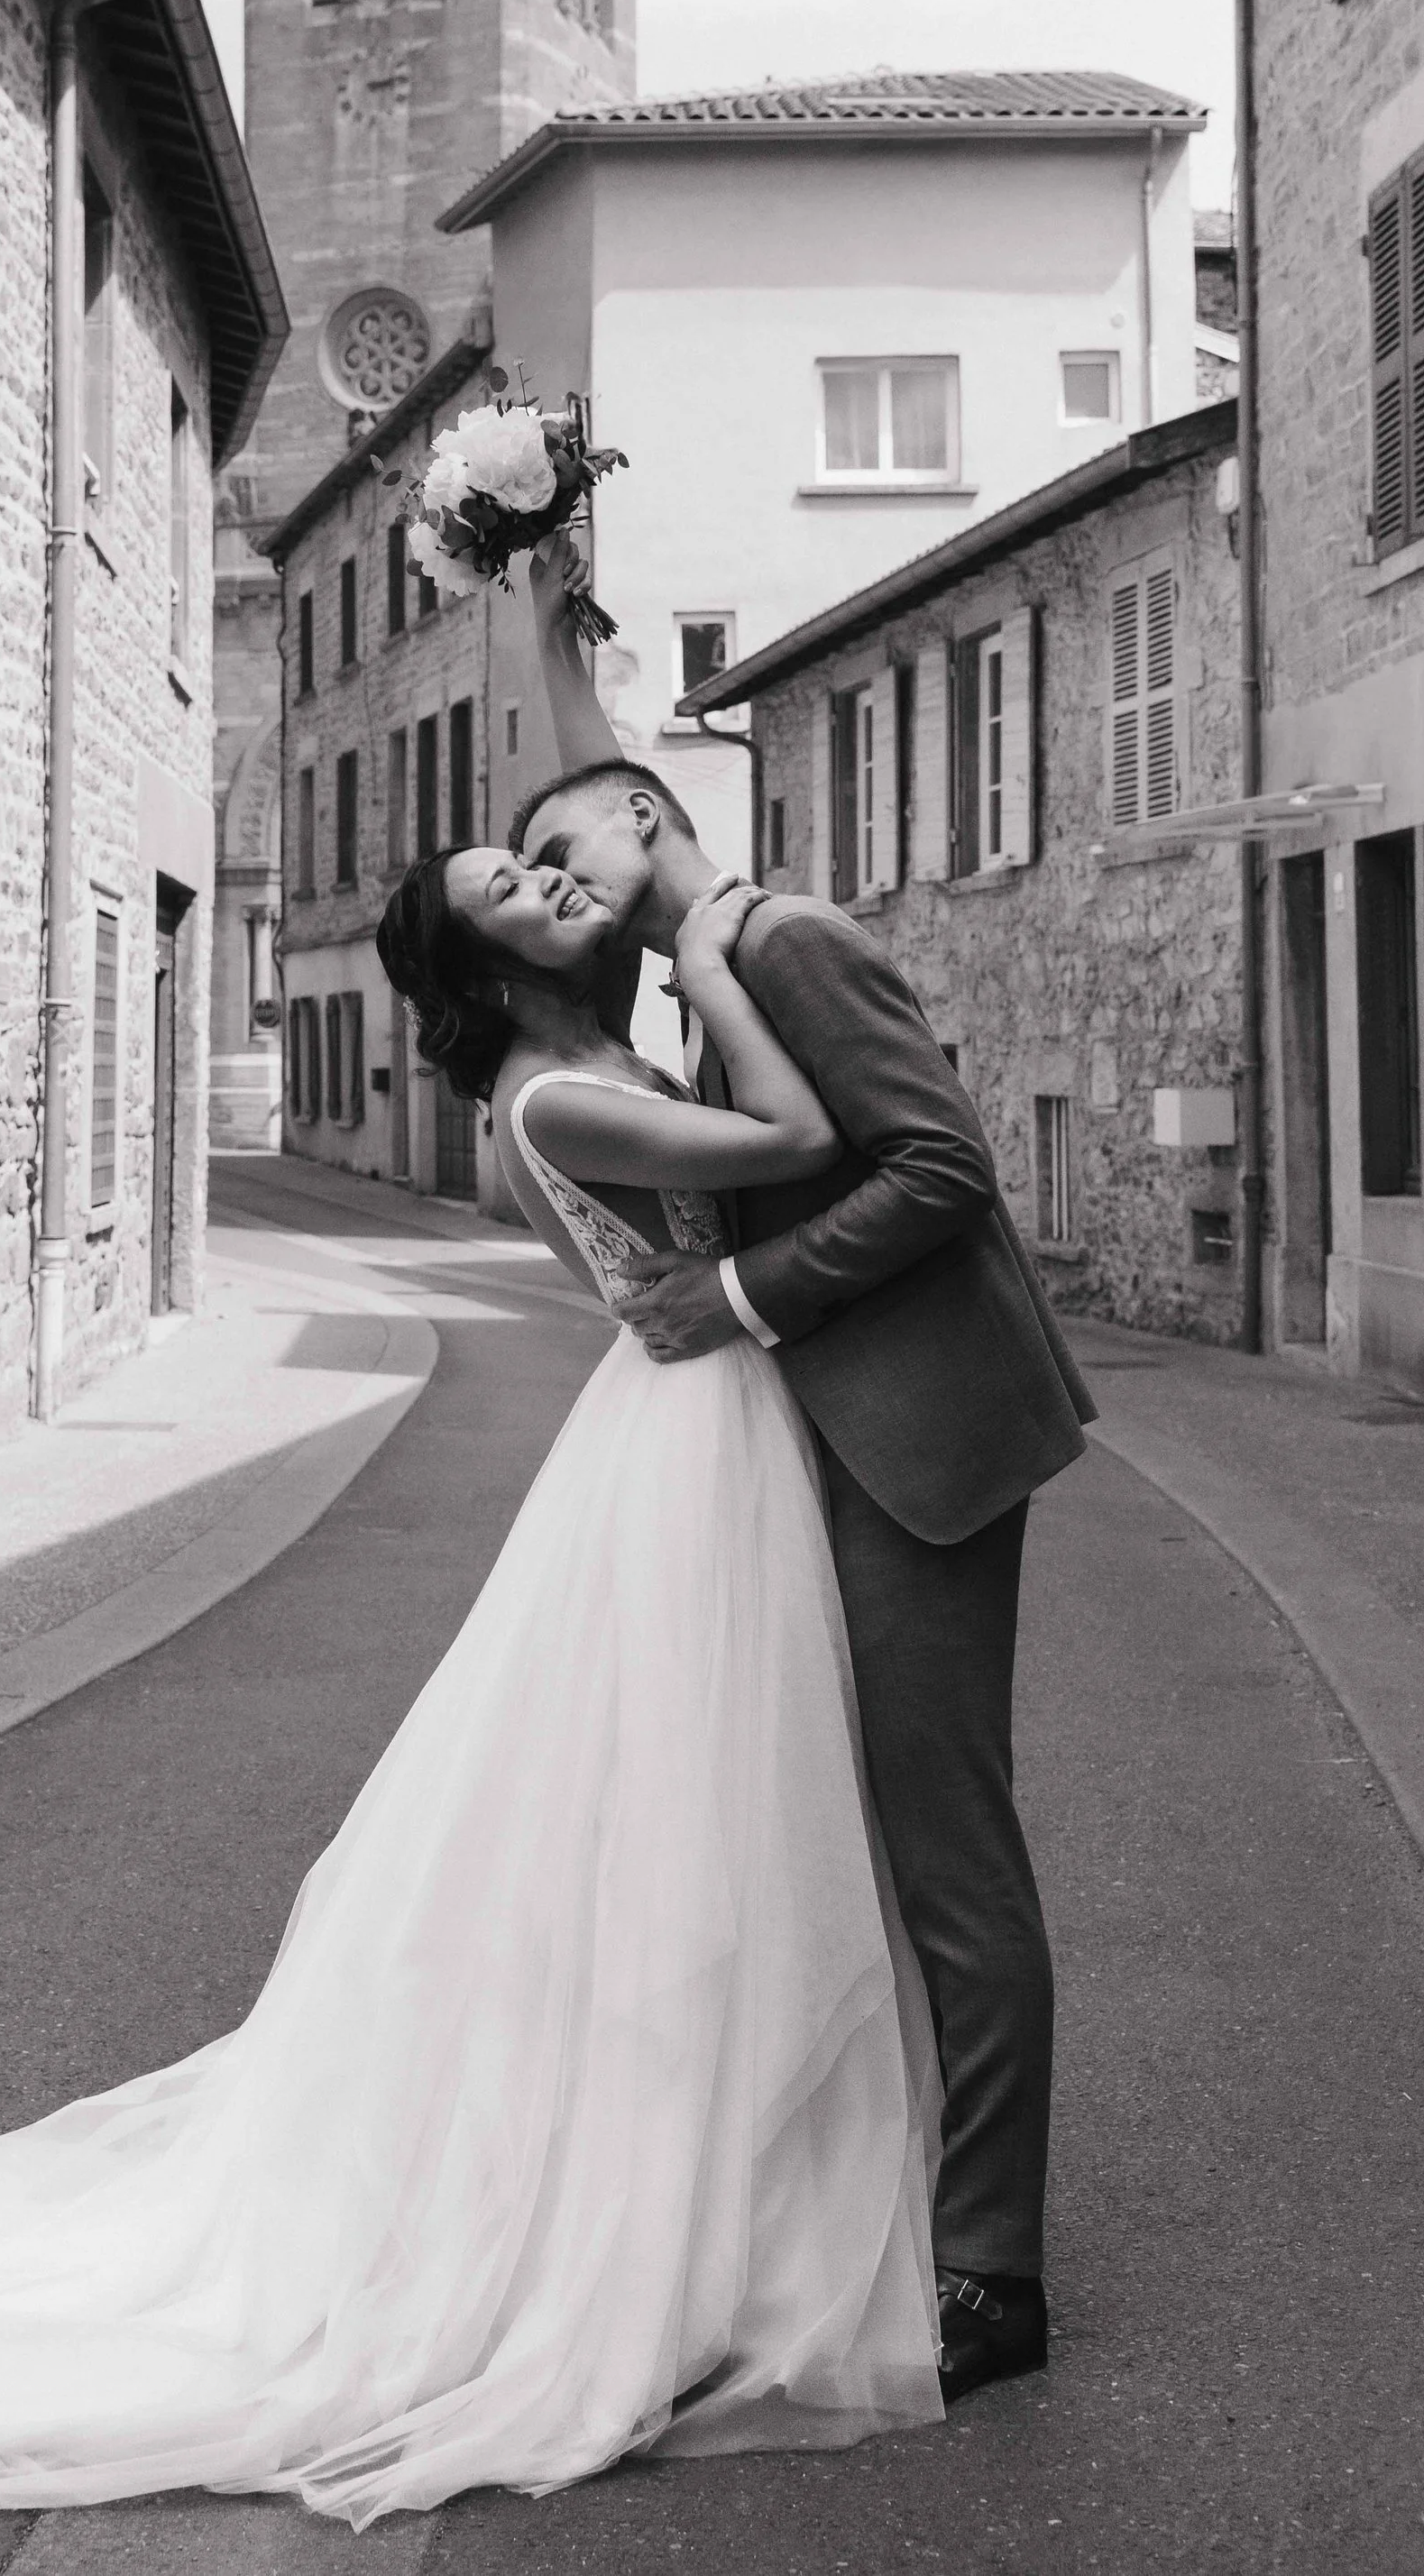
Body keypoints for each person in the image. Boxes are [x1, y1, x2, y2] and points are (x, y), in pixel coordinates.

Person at [0, 838, 945, 2521]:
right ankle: (643, 2211)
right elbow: (799, 1140)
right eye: (519, 884)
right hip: (683, 1442)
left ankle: (711, 2184)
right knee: (673, 1811)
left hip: (698, 1419)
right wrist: (718, 960)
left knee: (681, 1816)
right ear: (488, 967)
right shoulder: (553, 1100)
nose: (562, 883)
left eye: (547, 863)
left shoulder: (583, 1064)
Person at [519, 535, 1094, 2402]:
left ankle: (989, 2275)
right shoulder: (695, 966)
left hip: (918, 1439)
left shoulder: (781, 939)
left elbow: (940, 1173)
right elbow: (581, 774)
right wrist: (531, 606)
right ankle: (831, 2197)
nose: (558, 886)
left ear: (640, 811)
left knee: (944, 1847)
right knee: (800, 1832)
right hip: (813, 1448)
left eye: (567, 852)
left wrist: (742, 1295)